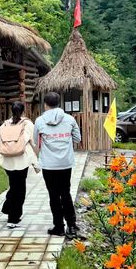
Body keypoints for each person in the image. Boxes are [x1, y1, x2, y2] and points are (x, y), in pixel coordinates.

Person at [0, 101, 40, 228]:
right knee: (20, 189)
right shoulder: (27, 124)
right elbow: (34, 142)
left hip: (8, 161)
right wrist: (37, 160)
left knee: (13, 185)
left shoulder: (4, 125)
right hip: (22, 160)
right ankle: (13, 218)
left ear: (11, 111)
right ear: (23, 111)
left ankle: (8, 207)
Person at [33, 92, 81, 238]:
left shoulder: (39, 121)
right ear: (59, 103)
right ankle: (72, 226)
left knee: (53, 195)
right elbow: (77, 139)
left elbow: (35, 141)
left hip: (48, 165)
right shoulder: (70, 119)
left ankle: (59, 227)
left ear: (45, 104)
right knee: (65, 193)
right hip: (66, 163)